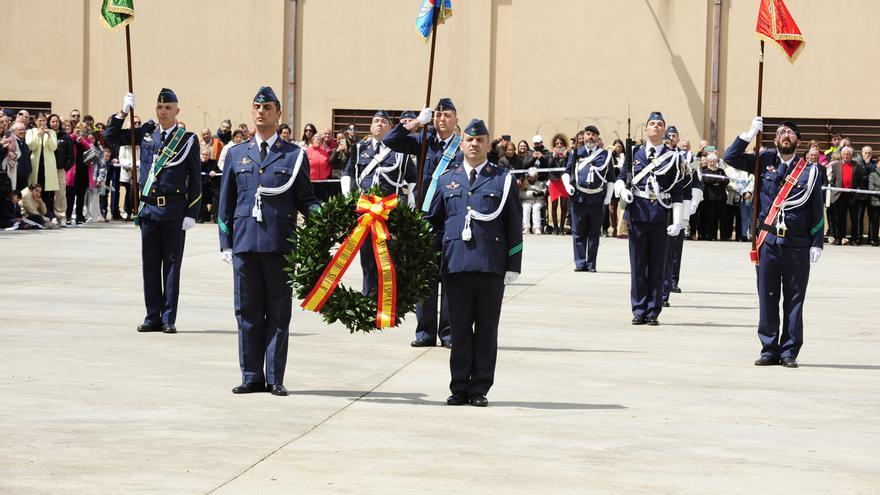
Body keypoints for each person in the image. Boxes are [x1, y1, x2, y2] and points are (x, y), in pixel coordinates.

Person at [217, 86, 321, 396]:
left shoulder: (294, 155)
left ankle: (275, 376)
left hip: (279, 245)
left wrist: (327, 216)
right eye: (256, 107)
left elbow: (307, 199)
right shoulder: (236, 154)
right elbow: (226, 202)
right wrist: (225, 242)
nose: (261, 112)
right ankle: (251, 375)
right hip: (246, 244)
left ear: (278, 114)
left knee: (278, 313)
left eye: (268, 108)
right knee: (247, 312)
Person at [424, 118, 522, 408]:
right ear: (462, 144)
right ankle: (458, 387)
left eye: (480, 140)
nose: (474, 144)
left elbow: (514, 224)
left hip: (490, 265)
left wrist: (513, 264)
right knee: (459, 330)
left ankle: (479, 388)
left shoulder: (502, 180)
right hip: (455, 265)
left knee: (487, 330)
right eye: (469, 140)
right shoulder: (445, 179)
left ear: (488, 145)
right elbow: (434, 224)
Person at [724, 118, 824, 368]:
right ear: (775, 140)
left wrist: (817, 242)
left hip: (797, 243)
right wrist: (747, 134)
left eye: (790, 132)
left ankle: (789, 350)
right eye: (780, 132)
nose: (785, 135)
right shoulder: (763, 161)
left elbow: (816, 209)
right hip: (767, 241)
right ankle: (769, 348)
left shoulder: (810, 171)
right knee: (767, 296)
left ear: (798, 141)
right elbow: (731, 157)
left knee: (794, 298)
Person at [104, 88, 202, 334]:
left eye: (168, 107)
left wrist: (192, 212)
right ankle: (152, 316)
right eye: (159, 108)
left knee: (171, 266)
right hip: (149, 210)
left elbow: (195, 179)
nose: (163, 112)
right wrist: (122, 111)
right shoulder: (146, 133)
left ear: (177, 111)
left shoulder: (188, 139)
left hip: (174, 211)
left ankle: (168, 318)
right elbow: (111, 138)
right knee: (149, 266)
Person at [384, 97, 463, 348]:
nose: (441, 119)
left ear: (456, 120)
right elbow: (390, 140)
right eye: (438, 115)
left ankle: (448, 332)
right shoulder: (424, 141)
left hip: (452, 220)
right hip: (426, 218)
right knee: (425, 277)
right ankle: (425, 332)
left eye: (447, 115)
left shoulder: (462, 149)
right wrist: (417, 122)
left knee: (450, 277)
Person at [614, 111, 685, 326]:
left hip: (660, 215)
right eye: (652, 124)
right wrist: (621, 191)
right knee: (638, 266)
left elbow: (678, 192)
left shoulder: (673, 157)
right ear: (645, 129)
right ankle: (638, 309)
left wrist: (678, 221)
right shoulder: (634, 153)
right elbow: (620, 178)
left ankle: (653, 311)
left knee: (657, 267)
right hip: (638, 213)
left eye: (659, 124)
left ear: (664, 130)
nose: (656, 127)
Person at [341, 110, 416, 295]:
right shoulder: (360, 149)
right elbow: (347, 173)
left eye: (384, 121)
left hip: (389, 215)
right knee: (367, 260)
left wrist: (410, 203)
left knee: (387, 261)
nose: (379, 124)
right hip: (365, 214)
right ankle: (368, 299)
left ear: (391, 128)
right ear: (371, 126)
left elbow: (413, 179)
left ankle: (386, 302)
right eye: (376, 121)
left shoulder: (401, 152)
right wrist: (347, 199)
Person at [562, 125, 614, 272]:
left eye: (593, 135)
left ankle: (591, 264)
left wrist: (609, 196)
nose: (590, 137)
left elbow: (611, 178)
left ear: (598, 138)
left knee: (594, 233)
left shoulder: (605, 155)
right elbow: (566, 172)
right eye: (588, 134)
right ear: (583, 136)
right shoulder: (576, 152)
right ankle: (580, 263)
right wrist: (567, 185)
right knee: (578, 232)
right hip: (579, 198)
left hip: (597, 198)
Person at [25, 114, 59, 220]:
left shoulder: (52, 132)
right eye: (40, 121)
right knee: (35, 188)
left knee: (48, 191)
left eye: (44, 121)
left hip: (48, 165)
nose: (42, 123)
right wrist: (38, 135)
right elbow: (31, 145)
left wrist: (48, 136)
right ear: (36, 121)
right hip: (36, 164)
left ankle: (49, 213)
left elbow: (53, 147)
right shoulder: (31, 132)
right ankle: (35, 213)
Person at [829, 146, 862, 245]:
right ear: (841, 155)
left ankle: (854, 239)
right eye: (844, 154)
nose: (846, 156)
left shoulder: (857, 165)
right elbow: (833, 180)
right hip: (840, 195)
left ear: (851, 155)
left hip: (852, 195)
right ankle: (840, 238)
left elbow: (860, 180)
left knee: (854, 218)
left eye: (848, 154)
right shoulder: (835, 165)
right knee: (840, 218)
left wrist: (858, 192)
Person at [48, 114, 73, 225]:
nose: (54, 123)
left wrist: (66, 166)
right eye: (52, 121)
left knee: (60, 193)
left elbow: (71, 154)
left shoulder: (65, 136)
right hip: (47, 169)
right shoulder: (46, 134)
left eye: (56, 121)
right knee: (47, 193)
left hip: (60, 169)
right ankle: (50, 215)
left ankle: (61, 216)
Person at [699, 153, 728, 241]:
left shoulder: (721, 171)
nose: (712, 163)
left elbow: (726, 180)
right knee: (711, 218)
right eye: (711, 161)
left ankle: (724, 237)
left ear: (716, 161)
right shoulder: (705, 171)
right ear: (708, 161)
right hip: (710, 198)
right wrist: (719, 180)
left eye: (714, 161)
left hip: (721, 197)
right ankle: (712, 236)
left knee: (722, 218)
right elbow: (707, 180)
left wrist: (716, 182)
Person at [520, 167, 546, 234]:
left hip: (538, 200)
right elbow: (521, 194)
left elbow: (544, 189)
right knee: (526, 208)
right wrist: (532, 194)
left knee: (536, 208)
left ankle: (537, 228)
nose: (531, 179)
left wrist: (542, 193)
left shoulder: (540, 182)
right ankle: (526, 227)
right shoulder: (524, 183)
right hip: (527, 200)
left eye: (533, 177)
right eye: (530, 177)